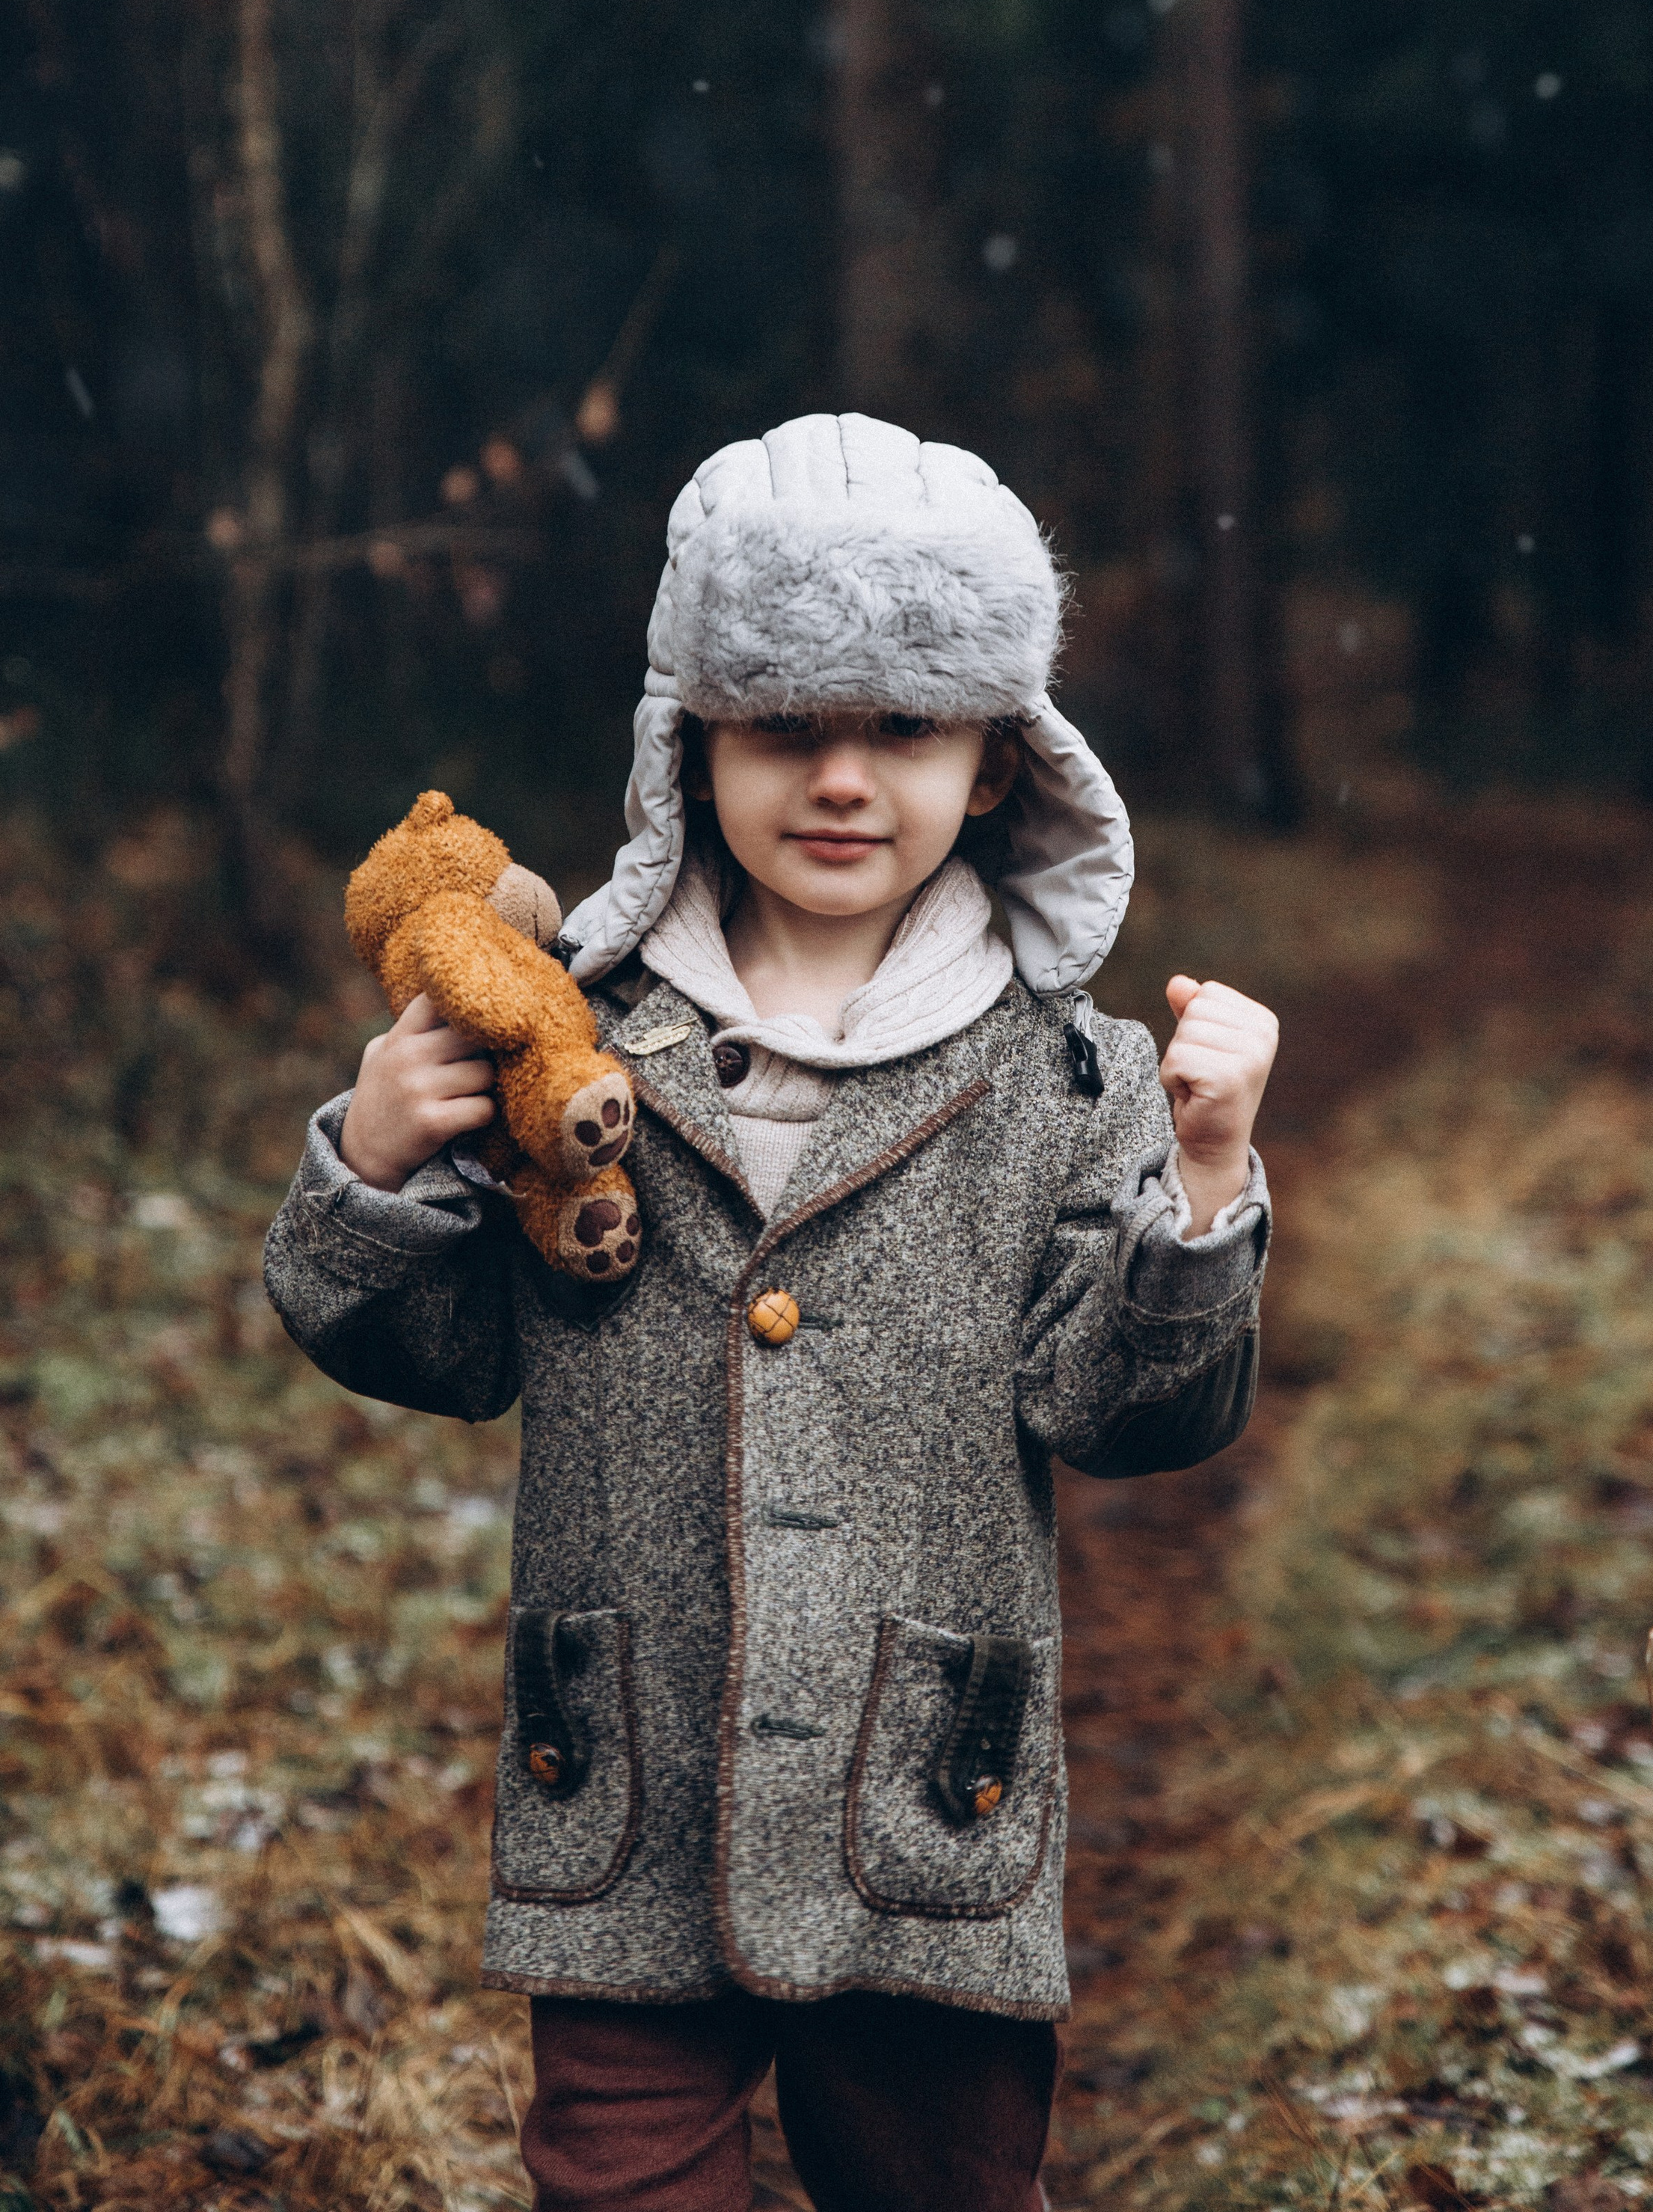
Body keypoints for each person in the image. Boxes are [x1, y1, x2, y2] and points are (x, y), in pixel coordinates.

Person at [266, 413, 1279, 2212]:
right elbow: (440, 1354)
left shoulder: (1070, 1076)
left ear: (994, 764)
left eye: (901, 729)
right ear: (691, 748)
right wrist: (372, 1156)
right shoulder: (565, 1043)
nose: (840, 780)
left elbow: (1125, 1413)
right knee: (616, 2177)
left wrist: (1200, 1183)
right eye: (785, 727)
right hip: (625, 1778)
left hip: (929, 1800)